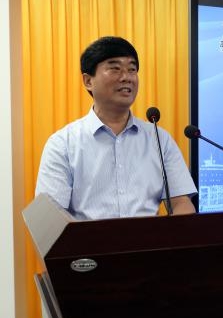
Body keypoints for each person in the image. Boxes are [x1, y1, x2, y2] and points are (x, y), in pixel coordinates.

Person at [35, 36, 197, 220]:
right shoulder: (63, 144)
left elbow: (181, 203)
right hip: (89, 239)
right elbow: (50, 216)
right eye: (115, 69)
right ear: (88, 81)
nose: (126, 77)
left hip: (150, 239)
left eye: (132, 69)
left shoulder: (159, 139)